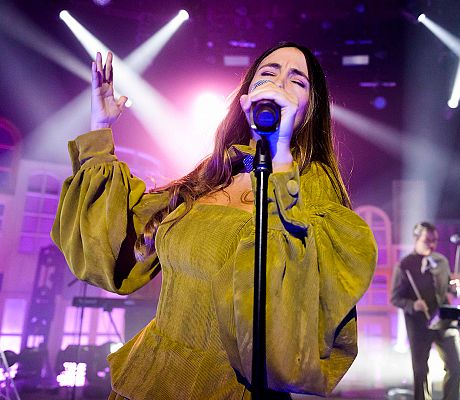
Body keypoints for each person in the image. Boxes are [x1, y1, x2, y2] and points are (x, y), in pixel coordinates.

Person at [51, 42, 377, 399]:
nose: (278, 83)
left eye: (296, 80)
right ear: (247, 96)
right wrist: (101, 127)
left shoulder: (311, 186)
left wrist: (279, 149)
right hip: (151, 380)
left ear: (310, 108)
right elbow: (116, 244)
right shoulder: (214, 175)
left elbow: (301, 284)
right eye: (268, 73)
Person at [390, 222, 460, 400]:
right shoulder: (404, 265)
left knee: (456, 366)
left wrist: (454, 289)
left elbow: (447, 288)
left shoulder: (442, 261)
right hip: (418, 325)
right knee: (421, 370)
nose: (431, 244)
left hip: (444, 321)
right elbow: (395, 298)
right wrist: (413, 305)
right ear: (416, 238)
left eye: (434, 240)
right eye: (427, 240)